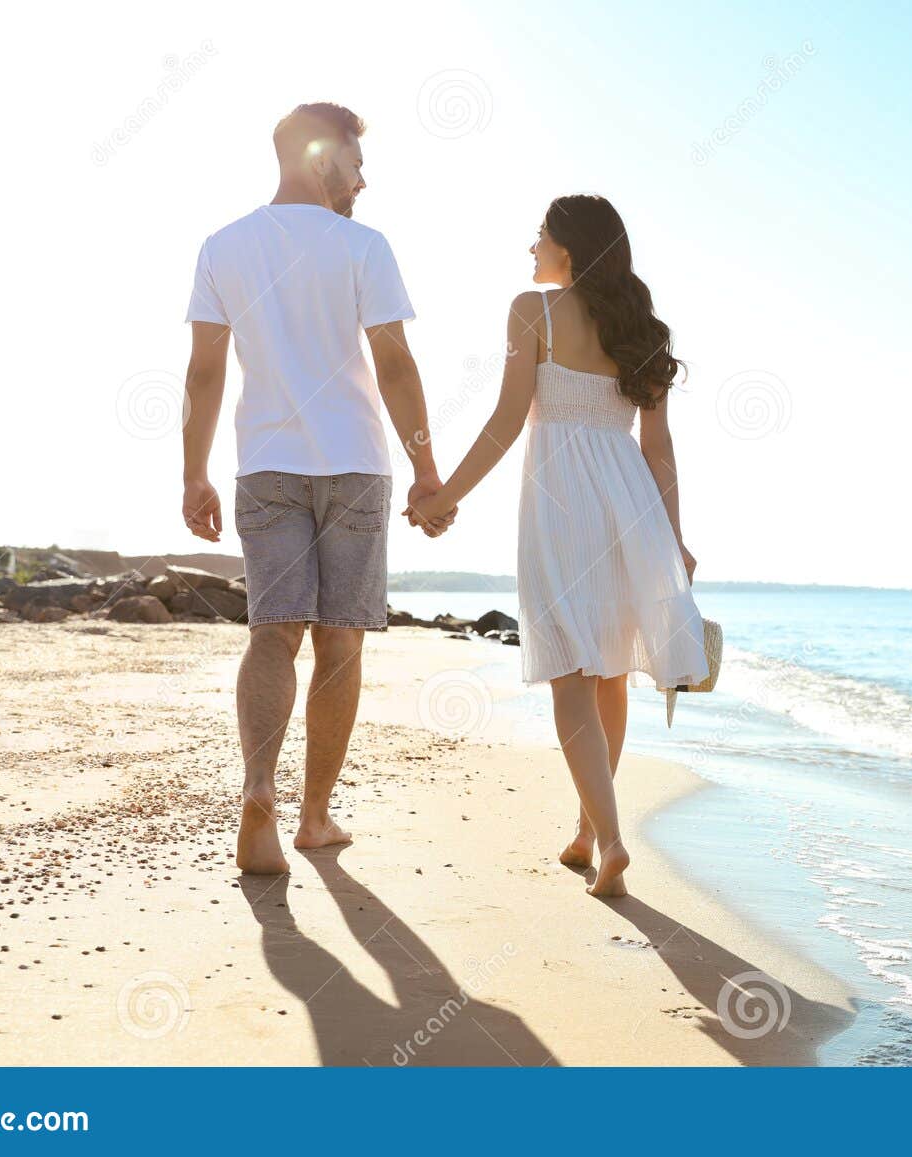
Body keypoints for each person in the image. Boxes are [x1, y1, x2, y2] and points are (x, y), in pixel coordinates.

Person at [179, 102, 454, 875]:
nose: (364, 181)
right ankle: (315, 815)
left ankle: (259, 787)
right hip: (355, 463)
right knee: (341, 641)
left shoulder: (223, 246)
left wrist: (193, 472)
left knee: (274, 633)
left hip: (265, 464)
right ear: (321, 157)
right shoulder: (363, 247)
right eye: (356, 164)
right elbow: (395, 365)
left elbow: (204, 372)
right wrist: (428, 467)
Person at [407, 194, 706, 897]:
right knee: (607, 673)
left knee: (570, 673)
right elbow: (659, 449)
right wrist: (676, 538)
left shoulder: (531, 311)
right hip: (629, 500)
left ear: (566, 249)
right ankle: (587, 827)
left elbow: (508, 420)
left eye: (538, 236)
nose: (530, 248)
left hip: (559, 501)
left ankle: (608, 839)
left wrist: (444, 495)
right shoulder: (643, 331)